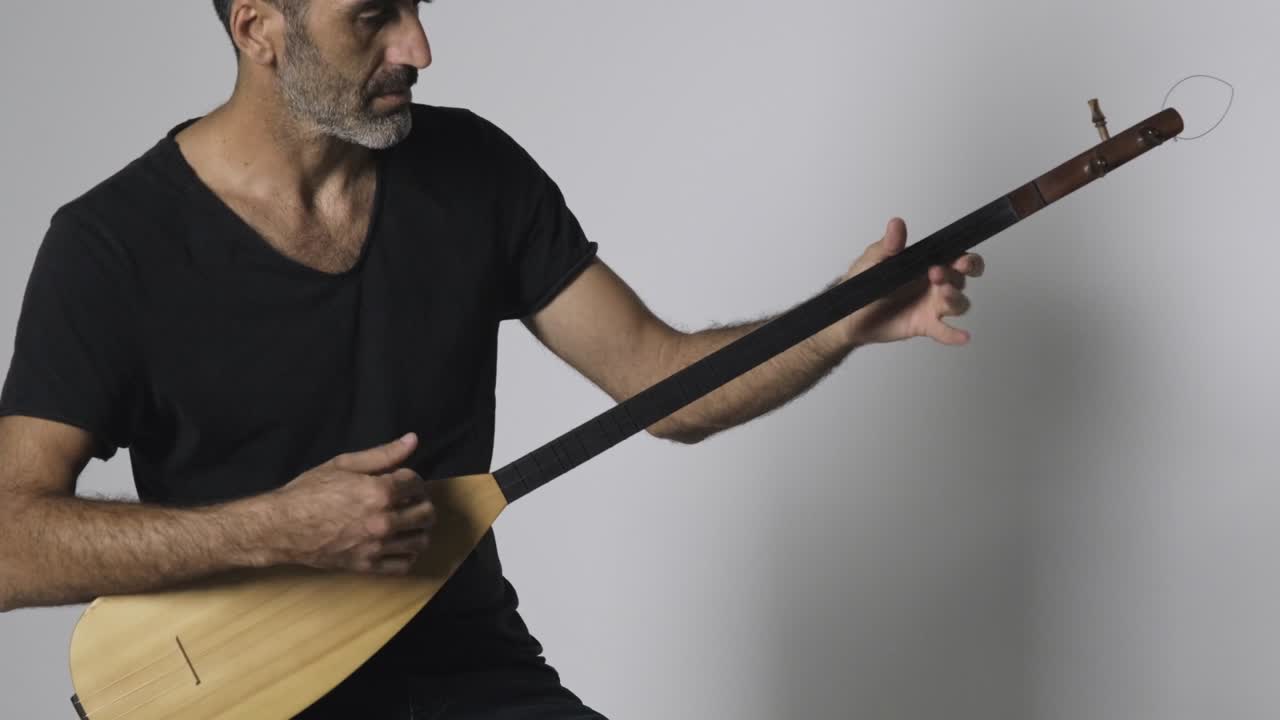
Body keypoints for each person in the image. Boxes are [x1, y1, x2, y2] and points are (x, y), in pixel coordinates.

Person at [0, 1, 986, 718]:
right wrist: (274, 529)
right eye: (374, 17)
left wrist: (832, 323)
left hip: (465, 676)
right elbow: (10, 543)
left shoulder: (471, 171)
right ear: (259, 29)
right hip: (233, 693)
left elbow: (660, 384)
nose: (419, 48)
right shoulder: (112, 248)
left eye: (418, 7)